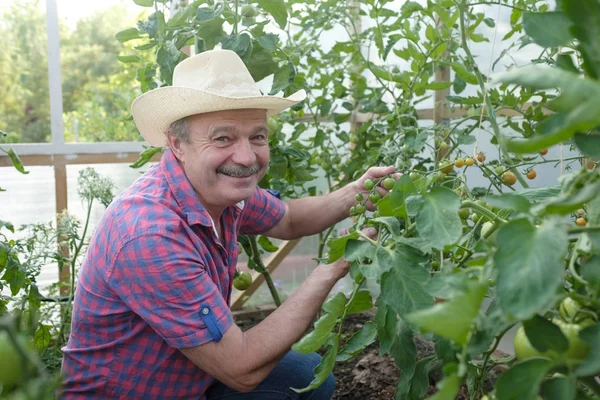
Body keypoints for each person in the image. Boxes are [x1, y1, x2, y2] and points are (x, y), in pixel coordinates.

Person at [60, 49, 395, 399]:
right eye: (223, 138)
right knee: (281, 374)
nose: (247, 157)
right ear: (177, 144)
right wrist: (334, 266)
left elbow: (290, 218)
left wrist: (356, 192)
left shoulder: (218, 189)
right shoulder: (150, 234)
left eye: (258, 136)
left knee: (307, 375)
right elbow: (241, 369)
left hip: (191, 375)